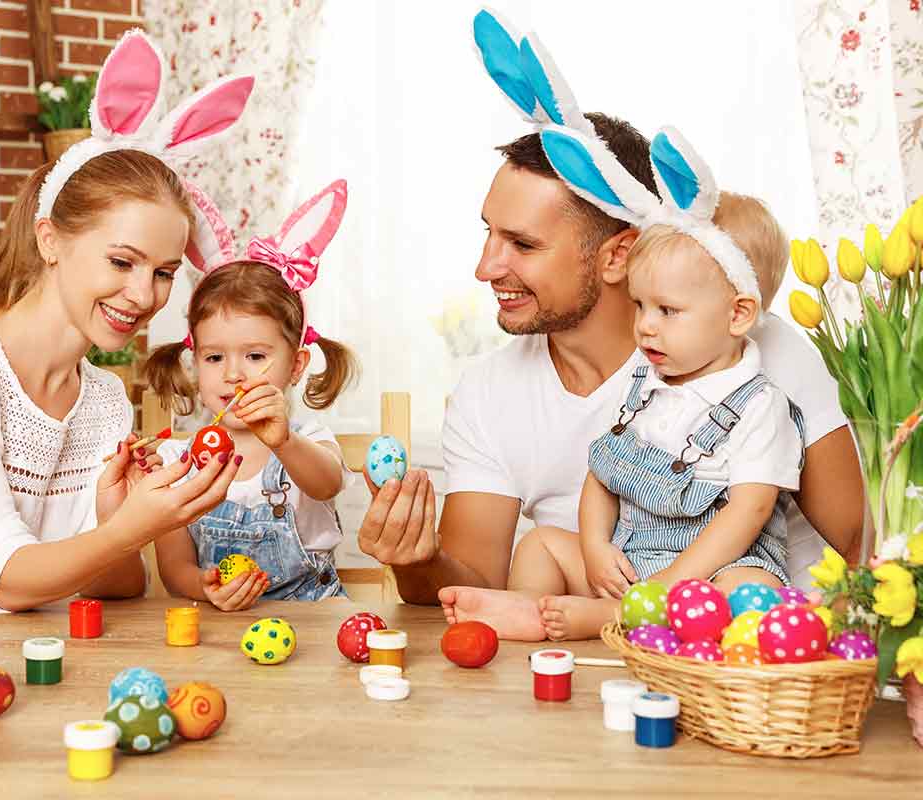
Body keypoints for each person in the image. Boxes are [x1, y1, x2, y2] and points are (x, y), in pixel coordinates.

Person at [355, 16, 863, 636]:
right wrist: (415, 557)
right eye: (488, 234)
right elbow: (470, 590)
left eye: (522, 243)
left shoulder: (754, 350)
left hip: (742, 651)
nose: (486, 268)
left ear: (618, 255)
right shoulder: (488, 393)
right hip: (593, 644)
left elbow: (860, 543)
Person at [0, 32, 255, 610]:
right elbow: (7, 579)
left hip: (21, 652)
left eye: (163, 273)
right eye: (121, 262)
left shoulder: (103, 397)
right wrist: (130, 530)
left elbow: (117, 586)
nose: (143, 295)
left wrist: (118, 515)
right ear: (50, 239)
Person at [147, 181, 359, 609]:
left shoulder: (308, 440)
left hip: (312, 623)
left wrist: (285, 441)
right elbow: (174, 570)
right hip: (221, 628)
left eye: (255, 356)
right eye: (214, 358)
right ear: (195, 363)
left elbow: (326, 484)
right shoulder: (176, 464)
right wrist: (205, 587)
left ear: (296, 365)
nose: (232, 375)